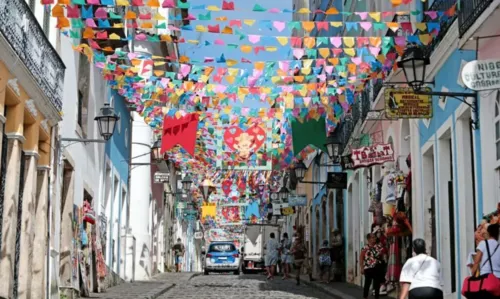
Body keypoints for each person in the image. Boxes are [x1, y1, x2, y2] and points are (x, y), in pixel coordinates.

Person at [360, 233, 386, 299]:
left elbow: (383, 256)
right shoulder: (365, 248)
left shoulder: (379, 247)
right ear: (368, 239)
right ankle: (365, 297)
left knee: (377, 284)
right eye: (372, 237)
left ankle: (376, 297)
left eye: (374, 237)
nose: (374, 238)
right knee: (367, 283)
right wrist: (362, 268)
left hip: (377, 267)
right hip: (368, 268)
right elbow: (361, 258)